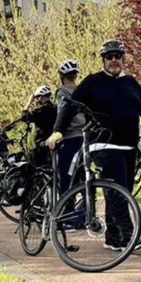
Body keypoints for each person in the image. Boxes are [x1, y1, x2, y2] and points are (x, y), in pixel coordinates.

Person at [47, 39, 141, 252]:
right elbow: (71, 107)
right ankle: (129, 236)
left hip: (128, 145)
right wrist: (58, 131)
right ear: (103, 60)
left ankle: (112, 237)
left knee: (121, 190)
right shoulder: (93, 82)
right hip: (103, 144)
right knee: (117, 189)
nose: (114, 60)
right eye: (109, 57)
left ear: (123, 59)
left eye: (118, 56)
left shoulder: (131, 82)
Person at [54, 59, 85, 199]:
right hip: (85, 138)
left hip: (69, 137)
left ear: (61, 76)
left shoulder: (62, 92)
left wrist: (56, 132)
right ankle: (85, 212)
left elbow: (62, 113)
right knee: (84, 177)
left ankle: (65, 214)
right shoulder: (82, 91)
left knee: (67, 178)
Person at [22, 85, 57, 167]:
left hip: (42, 142)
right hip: (54, 140)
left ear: (41, 97)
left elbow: (24, 117)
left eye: (37, 98)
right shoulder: (55, 107)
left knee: (38, 167)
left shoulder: (40, 109)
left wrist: (28, 103)